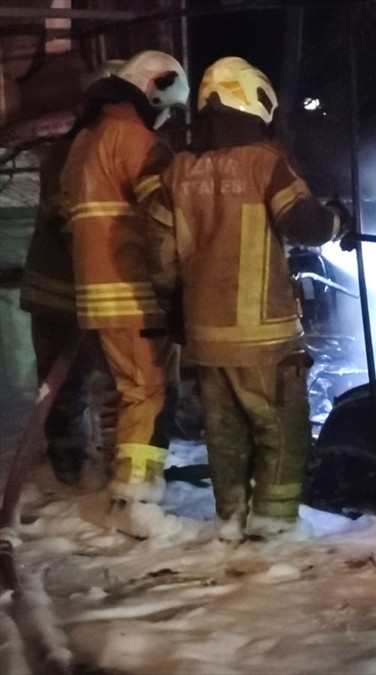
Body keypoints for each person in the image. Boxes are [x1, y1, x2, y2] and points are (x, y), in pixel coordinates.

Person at [139, 57, 345, 542]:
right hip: (264, 335)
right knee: (280, 430)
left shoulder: (179, 171)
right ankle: (273, 530)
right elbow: (306, 225)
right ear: (252, 101)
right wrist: (340, 219)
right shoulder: (264, 161)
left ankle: (230, 522)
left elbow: (161, 255)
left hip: (206, 334)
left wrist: (177, 313)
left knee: (225, 434)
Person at [59, 50, 189, 535]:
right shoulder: (137, 141)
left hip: (92, 295)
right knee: (148, 394)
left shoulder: (83, 143)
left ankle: (120, 486)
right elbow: (166, 219)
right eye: (167, 105)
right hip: (134, 290)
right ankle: (135, 500)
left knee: (123, 391)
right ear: (152, 88)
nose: (165, 116)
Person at [19, 60, 125, 488]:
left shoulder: (68, 146)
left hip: (52, 290)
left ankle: (69, 470)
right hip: (77, 290)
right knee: (103, 384)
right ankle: (89, 474)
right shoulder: (94, 147)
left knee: (62, 385)